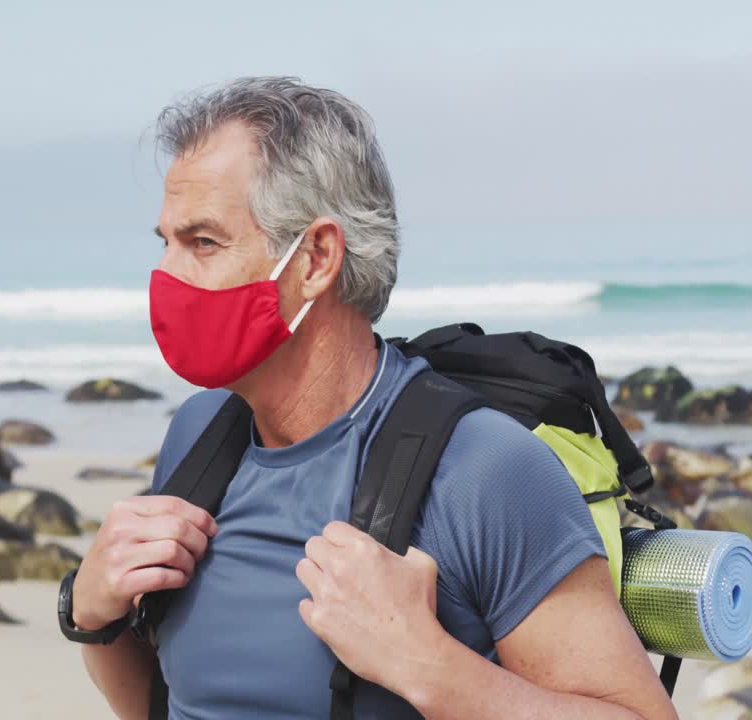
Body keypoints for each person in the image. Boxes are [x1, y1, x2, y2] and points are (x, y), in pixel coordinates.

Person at [65, 77, 678, 720]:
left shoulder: (482, 469)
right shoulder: (200, 435)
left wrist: (428, 666)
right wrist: (89, 613)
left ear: (317, 258)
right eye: (165, 243)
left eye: (203, 243)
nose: (167, 277)